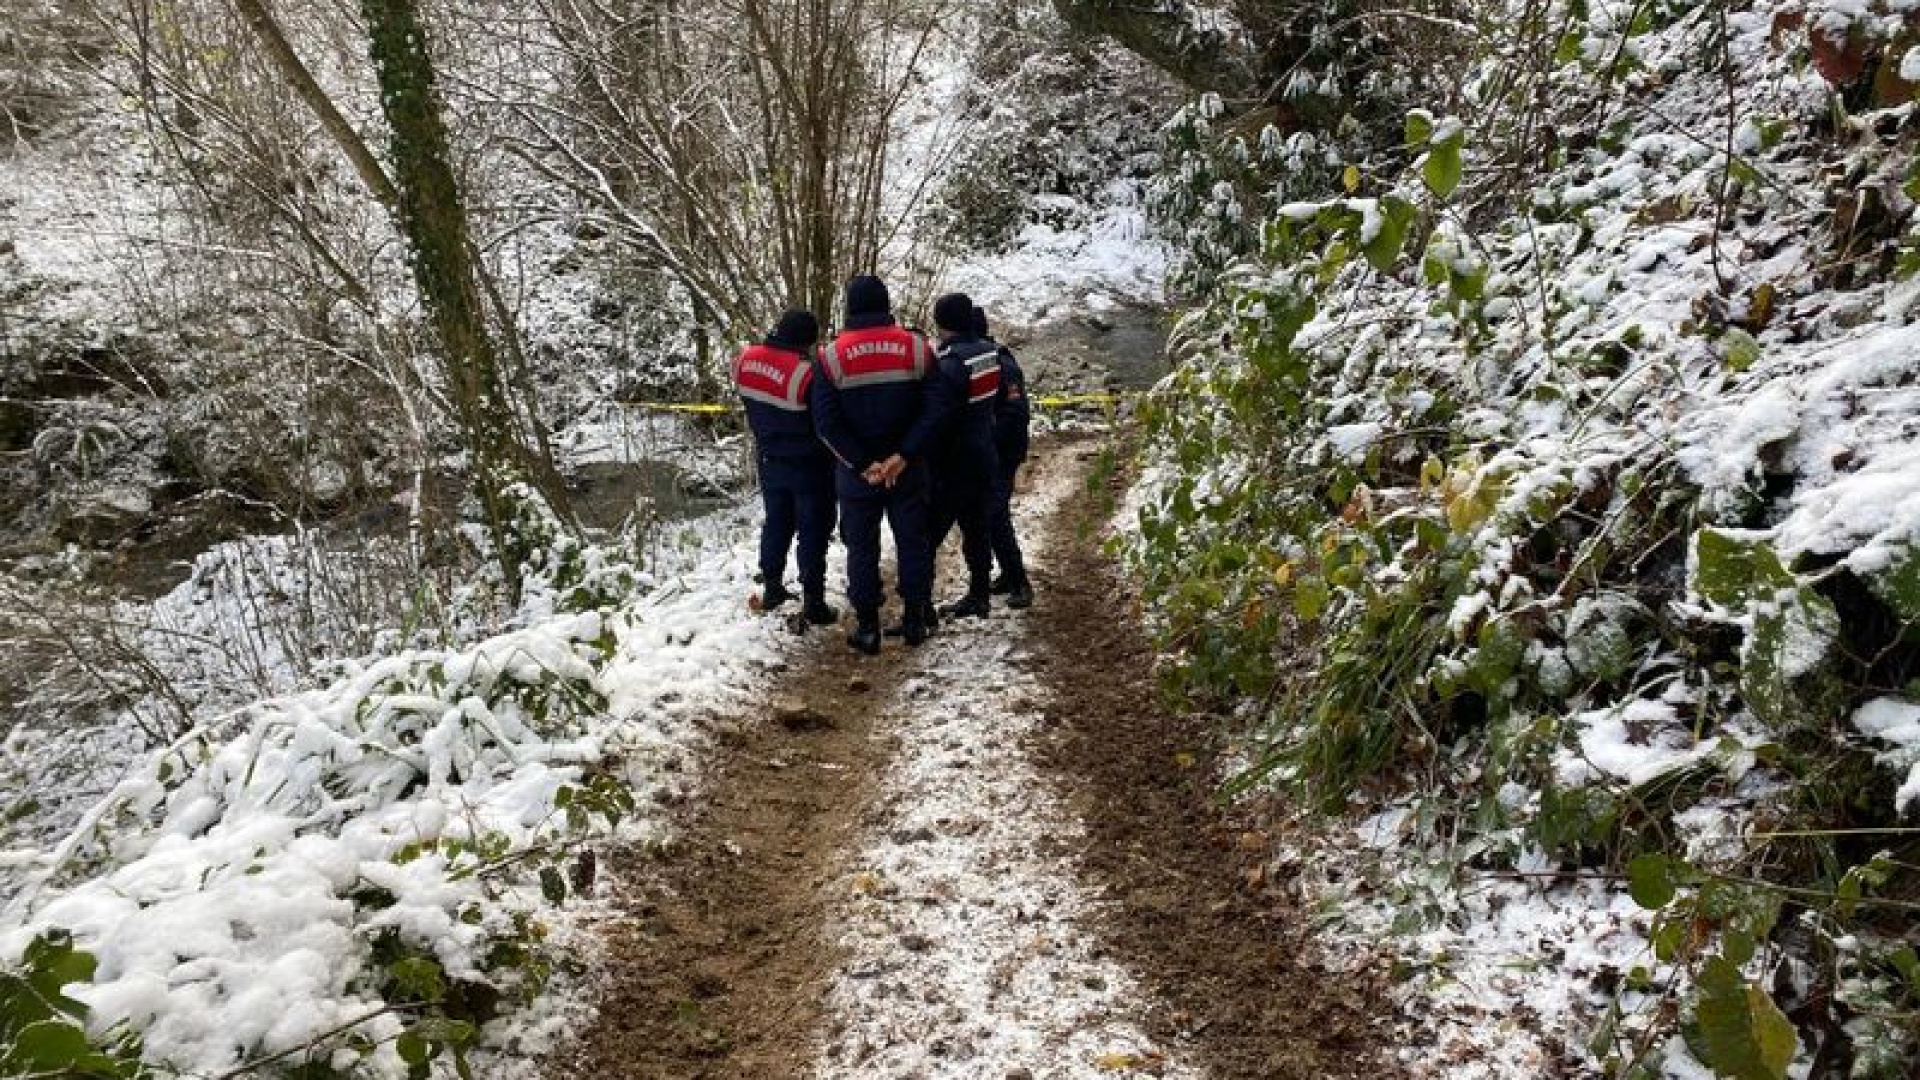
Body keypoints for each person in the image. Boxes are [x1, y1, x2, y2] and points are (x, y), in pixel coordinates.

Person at [810, 275, 945, 654]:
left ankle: (868, 628)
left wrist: (864, 464)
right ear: (886, 304)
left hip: (857, 476)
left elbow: (825, 424)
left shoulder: (830, 356)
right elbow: (936, 410)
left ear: (849, 307)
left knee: (862, 548)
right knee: (913, 542)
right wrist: (903, 456)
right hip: (909, 467)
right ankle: (916, 619)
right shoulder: (917, 349)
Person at [733, 309, 837, 626]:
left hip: (768, 457)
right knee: (813, 530)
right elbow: (823, 422)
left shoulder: (745, 359)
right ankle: (814, 602)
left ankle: (773, 586)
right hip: (808, 463)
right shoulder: (806, 373)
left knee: (777, 523)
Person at [921, 292, 1002, 618]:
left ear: (941, 323)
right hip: (983, 451)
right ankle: (980, 594)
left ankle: (921, 605)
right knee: (976, 528)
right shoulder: (989, 352)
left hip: (953, 461)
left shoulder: (950, 363)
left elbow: (939, 416)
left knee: (927, 536)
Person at [976, 305, 1033, 609]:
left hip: (1003, 452)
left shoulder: (1000, 362)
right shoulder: (983, 360)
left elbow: (1014, 411)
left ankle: (1020, 581)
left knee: (995, 514)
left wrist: (989, 443)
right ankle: (1008, 574)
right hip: (992, 451)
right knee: (988, 514)